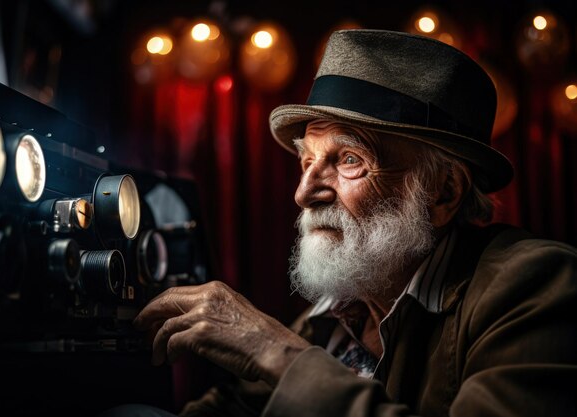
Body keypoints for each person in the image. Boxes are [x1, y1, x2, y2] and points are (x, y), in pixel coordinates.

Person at [133, 29, 577, 417]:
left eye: (349, 159)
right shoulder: (338, 311)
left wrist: (276, 351)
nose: (304, 193)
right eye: (307, 161)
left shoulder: (537, 285)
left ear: (443, 192)